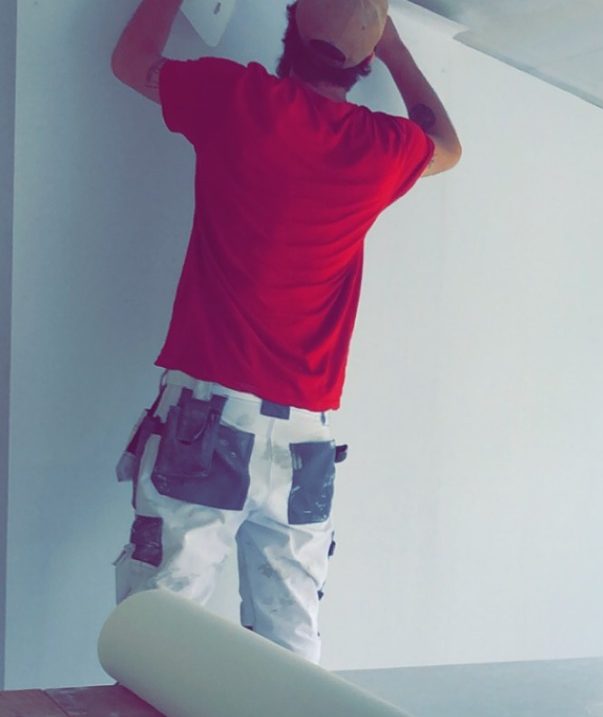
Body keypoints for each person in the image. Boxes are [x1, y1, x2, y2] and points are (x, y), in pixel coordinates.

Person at [108, 0, 460, 664]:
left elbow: (131, 62)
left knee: (156, 641)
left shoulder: (236, 99)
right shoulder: (381, 148)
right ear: (364, 58)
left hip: (206, 421)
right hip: (305, 444)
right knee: (290, 661)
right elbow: (448, 145)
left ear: (291, 25)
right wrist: (392, 47)